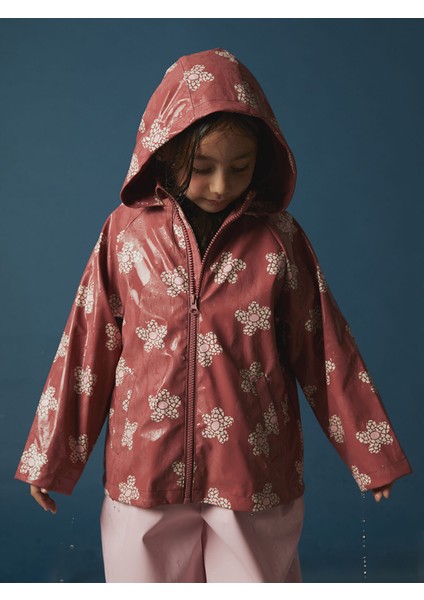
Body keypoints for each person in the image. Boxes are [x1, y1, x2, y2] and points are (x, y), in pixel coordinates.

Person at [15, 48, 412, 583]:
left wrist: (371, 453)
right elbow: (86, 348)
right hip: (143, 469)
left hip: (253, 470)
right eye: (202, 169)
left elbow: (324, 349)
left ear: (261, 161)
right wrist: (50, 457)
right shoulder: (125, 235)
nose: (222, 185)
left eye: (239, 168)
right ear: (166, 152)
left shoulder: (278, 240)